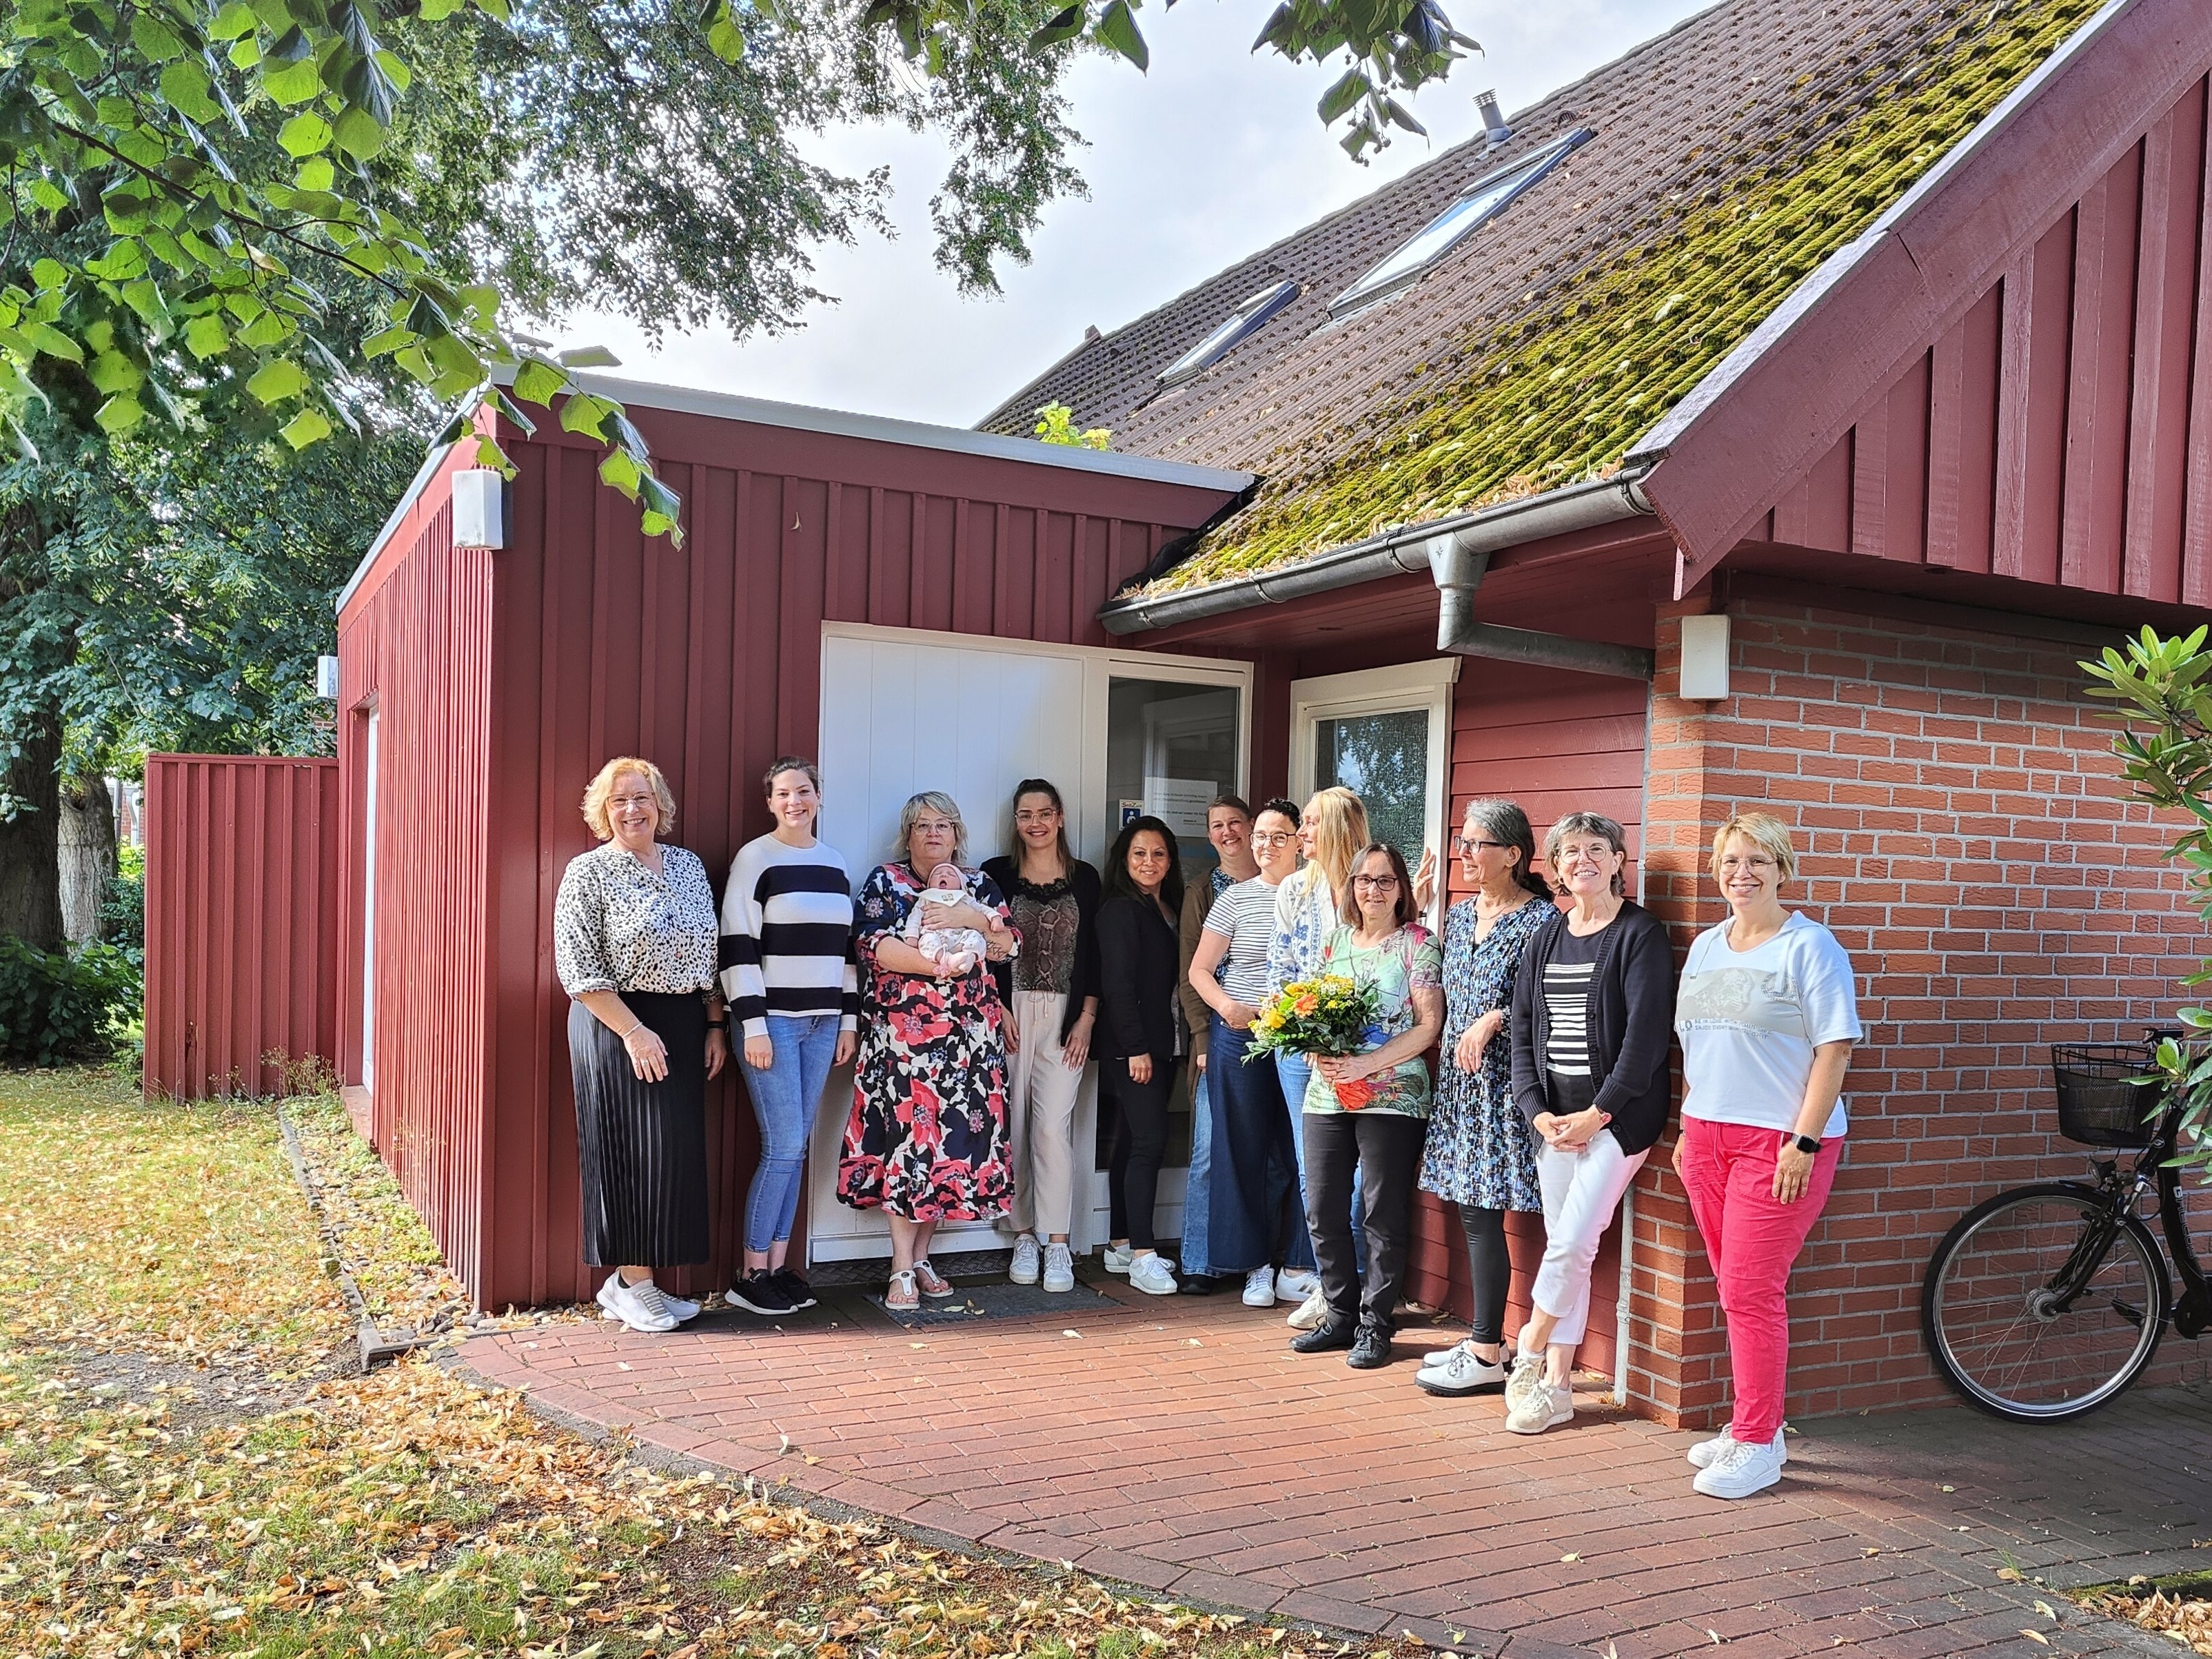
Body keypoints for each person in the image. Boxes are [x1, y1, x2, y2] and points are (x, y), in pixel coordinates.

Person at [1674, 812, 1860, 1500]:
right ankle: (1756, 1424)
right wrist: (1689, 1127)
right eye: (1730, 861)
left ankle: (1756, 1444)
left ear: (1782, 869)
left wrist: (1803, 1142)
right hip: (1707, 1137)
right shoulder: (1705, 946)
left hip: (1779, 1143)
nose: (1742, 873)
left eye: (1757, 860)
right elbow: (1696, 1045)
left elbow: (1834, 1049)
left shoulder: (1809, 946)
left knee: (1751, 1290)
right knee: (1733, 1290)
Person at [1503, 811, 1675, 1434]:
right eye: (1570, 850)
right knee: (1565, 1248)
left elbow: (1645, 1040)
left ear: (1618, 860)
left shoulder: (1639, 934)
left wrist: (1598, 1113)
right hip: (1554, 1121)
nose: (1584, 859)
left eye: (1597, 848)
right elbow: (1523, 1031)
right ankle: (1556, 1387)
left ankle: (1528, 1345)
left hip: (1617, 1120)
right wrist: (1538, 1110)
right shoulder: (1546, 936)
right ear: (1554, 865)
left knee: (1575, 1241)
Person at [554, 757, 731, 1334]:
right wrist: (632, 1031)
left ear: (660, 805)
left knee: (669, 1155)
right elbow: (578, 968)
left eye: (642, 797)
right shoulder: (588, 872)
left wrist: (714, 1024)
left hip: (681, 1021)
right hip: (615, 1024)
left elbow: (710, 954)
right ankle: (632, 1283)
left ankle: (637, 1282)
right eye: (619, 800)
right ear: (603, 811)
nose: (632, 809)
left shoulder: (687, 865)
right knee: (627, 1152)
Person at [837, 792, 1017, 1312]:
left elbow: (1008, 946)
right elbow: (873, 947)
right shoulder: (886, 881)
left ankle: (921, 1259)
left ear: (957, 834)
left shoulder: (978, 884)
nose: (933, 833)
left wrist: (972, 918)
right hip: (904, 1039)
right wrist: (940, 967)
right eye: (922, 826)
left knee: (947, 1147)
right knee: (908, 1143)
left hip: (968, 1042)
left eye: (943, 825)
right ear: (908, 835)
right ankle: (900, 1265)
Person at [1415, 800, 1556, 1396]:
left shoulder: (1540, 920)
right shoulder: (1457, 913)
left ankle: (1485, 1349)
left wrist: (1493, 1017)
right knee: (1471, 1210)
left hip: (1502, 1086)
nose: (1465, 853)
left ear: (1512, 854)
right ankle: (1483, 1343)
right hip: (1458, 1087)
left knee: (1482, 1213)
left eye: (1477, 843)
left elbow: (1544, 999)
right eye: (1462, 842)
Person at [1288, 842, 1443, 1368]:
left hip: (1393, 1095)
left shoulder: (1418, 944)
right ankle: (1339, 1315)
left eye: (1384, 880)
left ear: (1401, 888)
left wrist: (1368, 1063)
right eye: (1363, 879)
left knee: (1380, 1212)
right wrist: (1311, 1044)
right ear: (1350, 886)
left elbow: (1428, 1025)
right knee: (1322, 1206)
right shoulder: (1335, 941)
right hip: (1328, 1091)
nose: (1372, 890)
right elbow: (1311, 1008)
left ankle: (1376, 1325)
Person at [718, 757, 857, 1319]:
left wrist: (848, 1021)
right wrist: (752, 1024)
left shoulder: (834, 862)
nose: (794, 801)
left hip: (823, 1023)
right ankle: (749, 1274)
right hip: (772, 1021)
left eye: (803, 790)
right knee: (781, 1147)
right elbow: (737, 945)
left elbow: (846, 951)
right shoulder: (756, 858)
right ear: (770, 802)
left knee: (795, 1148)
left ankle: (777, 1268)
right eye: (783, 793)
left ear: (819, 796)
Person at [1188, 797, 1318, 1308]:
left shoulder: (1316, 894)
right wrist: (1227, 1006)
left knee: (1298, 1153)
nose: (1265, 845)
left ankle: (1298, 1265)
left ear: (1298, 842)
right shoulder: (1235, 898)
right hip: (1240, 1037)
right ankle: (1254, 1268)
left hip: (1296, 1038)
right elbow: (1200, 969)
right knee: (1241, 1151)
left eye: (1278, 836)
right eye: (1260, 836)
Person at [984, 780, 1102, 1295]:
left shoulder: (1085, 878)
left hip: (1065, 1016)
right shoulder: (996, 874)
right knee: (1012, 1123)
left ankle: (1058, 1240)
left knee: (1051, 1127)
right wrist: (996, 1006)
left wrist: (1087, 1017)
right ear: (1016, 821)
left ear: (1059, 817)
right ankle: (1024, 1235)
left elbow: (1096, 952)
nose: (1035, 823)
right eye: (1025, 815)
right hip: (1008, 1014)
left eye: (1044, 813)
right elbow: (979, 944)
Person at [1268, 786, 1370, 1330]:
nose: (1300, 832)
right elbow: (1280, 971)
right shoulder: (1294, 888)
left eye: (1309, 823)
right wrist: (1304, 1038)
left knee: (1365, 1174)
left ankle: (1360, 1288)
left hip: (1368, 1052)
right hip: (1302, 1055)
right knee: (1317, 1172)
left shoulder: (1373, 883)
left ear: (1334, 828)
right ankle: (1332, 1290)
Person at [1095, 815, 1188, 1296]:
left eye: (1158, 853)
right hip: (1136, 1048)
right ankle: (1143, 1256)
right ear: (1124, 860)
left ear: (1169, 860)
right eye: (1139, 853)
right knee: (1150, 1143)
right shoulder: (1120, 910)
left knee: (1132, 1141)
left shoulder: (1168, 907)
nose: (1148, 862)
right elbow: (1117, 985)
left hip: (1164, 1043)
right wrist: (1135, 1048)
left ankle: (1119, 1242)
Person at [1175, 793, 1259, 1294]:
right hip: (1221, 1032)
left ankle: (1256, 1260)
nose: (1227, 833)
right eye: (1217, 826)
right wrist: (1202, 1038)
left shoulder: (1282, 883)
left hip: (1274, 1029)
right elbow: (1190, 971)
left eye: (1235, 823)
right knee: (1209, 1146)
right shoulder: (1202, 890)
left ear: (1250, 827)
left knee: (1265, 1149)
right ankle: (1200, 1259)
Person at [904, 859, 1007, 973]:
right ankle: (946, 959)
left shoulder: (964, 898)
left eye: (951, 874)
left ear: (960, 885)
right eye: (937, 874)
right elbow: (914, 918)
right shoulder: (926, 899)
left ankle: (969, 958)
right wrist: (912, 936)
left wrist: (995, 917)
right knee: (926, 941)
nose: (944, 875)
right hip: (935, 935)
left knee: (975, 937)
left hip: (960, 937)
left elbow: (981, 908)